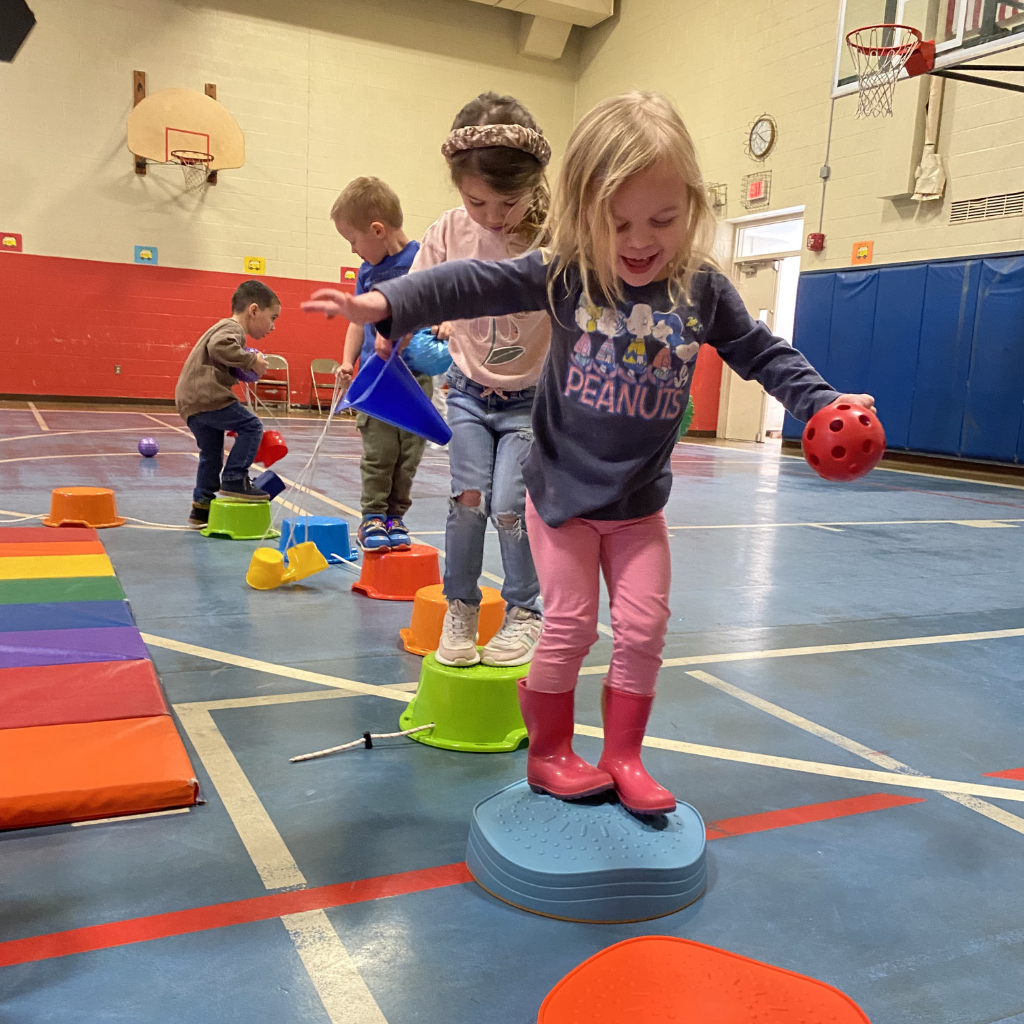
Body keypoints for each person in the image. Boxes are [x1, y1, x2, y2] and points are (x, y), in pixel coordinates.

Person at [302, 91, 878, 816]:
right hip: (563, 496)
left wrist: (823, 401)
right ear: (582, 215)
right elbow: (473, 282)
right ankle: (548, 754)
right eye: (617, 223)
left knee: (643, 628)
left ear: (691, 207)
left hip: (639, 503)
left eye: (662, 220)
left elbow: (764, 352)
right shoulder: (569, 272)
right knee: (569, 623)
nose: (639, 240)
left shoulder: (700, 289)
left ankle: (624, 757)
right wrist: (386, 304)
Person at [353, 93, 554, 668]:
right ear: (457, 188)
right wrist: (390, 324)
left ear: (536, 185)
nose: (494, 216)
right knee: (469, 499)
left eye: (509, 202)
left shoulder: (557, 235)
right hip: (466, 393)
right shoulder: (447, 232)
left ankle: (524, 612)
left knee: (512, 506)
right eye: (476, 201)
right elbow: (415, 292)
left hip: (530, 401)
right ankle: (460, 605)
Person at [332, 176, 429, 552]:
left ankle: (395, 517)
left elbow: (439, 306)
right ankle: (373, 515)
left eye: (353, 241)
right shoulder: (367, 273)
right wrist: (346, 362)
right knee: (380, 453)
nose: (354, 251)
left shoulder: (423, 260)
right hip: (376, 382)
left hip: (415, 379)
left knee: (408, 455)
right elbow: (358, 320)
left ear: (377, 229)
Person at [175, 279, 278, 529]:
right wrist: (250, 360)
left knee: (211, 454)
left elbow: (219, 356)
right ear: (253, 310)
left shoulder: (224, 329)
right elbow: (219, 347)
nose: (272, 327)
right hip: (206, 395)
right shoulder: (232, 328)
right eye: (272, 317)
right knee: (252, 426)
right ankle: (234, 478)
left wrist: (239, 368)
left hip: (190, 401)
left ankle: (201, 507)